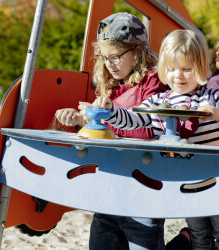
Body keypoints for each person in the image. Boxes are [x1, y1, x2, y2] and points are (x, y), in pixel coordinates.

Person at [91, 29, 219, 250]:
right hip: (186, 183)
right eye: (172, 69)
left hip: (217, 181)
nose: (179, 76)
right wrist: (111, 111)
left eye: (186, 69)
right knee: (200, 236)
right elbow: (133, 119)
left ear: (201, 67)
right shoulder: (159, 101)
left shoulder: (210, 96)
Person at [55, 12, 167, 250]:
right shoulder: (112, 85)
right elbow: (105, 133)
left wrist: (108, 118)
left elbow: (149, 129)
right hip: (110, 187)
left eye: (115, 56)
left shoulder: (154, 82)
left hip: (143, 191)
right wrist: (81, 121)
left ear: (137, 52)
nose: (108, 63)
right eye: (103, 57)